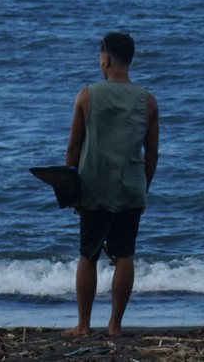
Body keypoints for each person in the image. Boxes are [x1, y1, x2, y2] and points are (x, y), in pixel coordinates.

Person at [62, 33, 160, 338]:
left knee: (88, 254)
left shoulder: (87, 95)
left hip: (94, 188)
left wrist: (72, 190)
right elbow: (152, 153)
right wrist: (143, 190)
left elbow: (73, 150)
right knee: (125, 255)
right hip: (130, 187)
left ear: (105, 59)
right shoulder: (148, 101)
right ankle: (115, 327)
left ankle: (83, 326)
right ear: (129, 60)